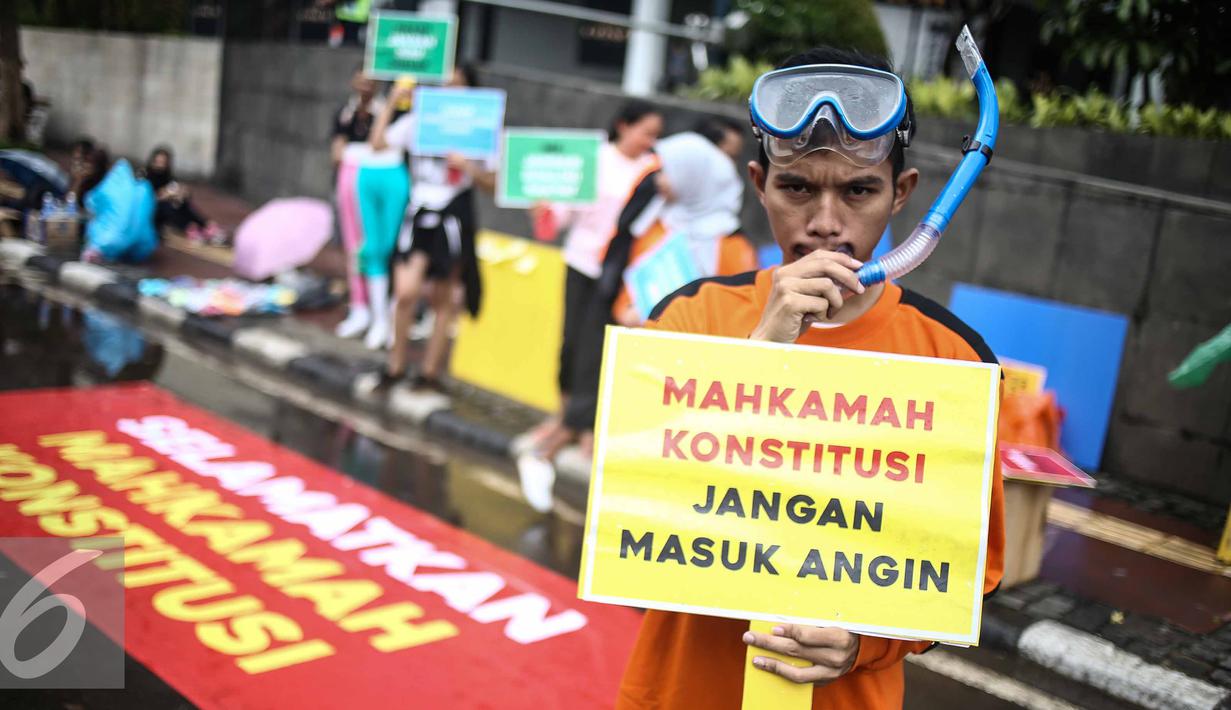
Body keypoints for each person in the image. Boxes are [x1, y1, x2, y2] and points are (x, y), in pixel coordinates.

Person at [614, 47, 1005, 709]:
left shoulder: (953, 358)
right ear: (759, 184)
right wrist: (759, 353)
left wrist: (865, 643)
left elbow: (969, 572)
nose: (825, 221)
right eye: (796, 188)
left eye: (858, 190)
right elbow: (625, 511)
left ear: (900, 194)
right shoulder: (689, 318)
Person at [526, 100, 663, 453]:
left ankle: (587, 427)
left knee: (597, 350)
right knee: (570, 343)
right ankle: (564, 418)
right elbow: (561, 216)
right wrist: (543, 211)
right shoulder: (593, 158)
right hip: (580, 262)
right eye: (646, 132)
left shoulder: (654, 170)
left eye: (656, 135)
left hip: (618, 272)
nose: (650, 140)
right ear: (623, 126)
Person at [372, 65, 492, 390]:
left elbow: (493, 183)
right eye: (446, 85)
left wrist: (468, 166)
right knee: (406, 292)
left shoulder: (482, 128)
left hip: (453, 212)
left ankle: (429, 373)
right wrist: (392, 102)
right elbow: (378, 143)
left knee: (444, 300)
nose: (451, 92)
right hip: (419, 210)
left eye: (459, 85)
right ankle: (395, 365)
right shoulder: (421, 120)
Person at [352, 78, 412, 349]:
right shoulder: (380, 106)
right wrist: (392, 101)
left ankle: (391, 320)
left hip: (397, 178)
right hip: (368, 175)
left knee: (392, 248)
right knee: (374, 248)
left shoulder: (424, 116)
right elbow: (375, 141)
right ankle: (378, 320)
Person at [331, 68, 385, 339]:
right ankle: (359, 304)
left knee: (376, 246)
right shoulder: (345, 112)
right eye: (361, 79)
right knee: (353, 247)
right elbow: (337, 150)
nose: (366, 85)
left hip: (376, 186)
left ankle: (380, 312)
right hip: (348, 183)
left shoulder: (385, 111)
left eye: (371, 80)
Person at [144, 146, 225, 244]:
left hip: (168, 204)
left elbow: (175, 188)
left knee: (182, 203)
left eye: (163, 162)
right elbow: (148, 198)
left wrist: (182, 193)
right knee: (168, 207)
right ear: (153, 160)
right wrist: (165, 195)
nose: (160, 165)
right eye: (158, 161)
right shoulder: (147, 175)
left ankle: (206, 226)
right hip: (154, 209)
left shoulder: (166, 175)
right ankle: (191, 228)